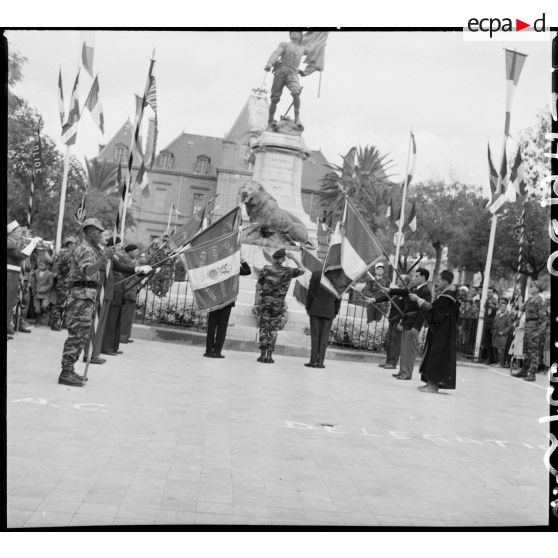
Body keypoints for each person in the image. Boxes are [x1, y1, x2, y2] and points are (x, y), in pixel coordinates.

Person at [59, 218, 113, 387]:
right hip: (80, 297)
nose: (101, 235)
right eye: (98, 232)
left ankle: (70, 369)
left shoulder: (94, 249)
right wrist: (103, 258)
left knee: (81, 336)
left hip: (88, 296)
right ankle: (65, 372)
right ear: (90, 232)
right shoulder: (83, 249)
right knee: (76, 336)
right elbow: (89, 271)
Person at [370, 268, 431, 380]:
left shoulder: (426, 291)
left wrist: (417, 327)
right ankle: (402, 371)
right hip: (407, 320)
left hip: (413, 322)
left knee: (409, 351)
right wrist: (390, 290)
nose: (415, 278)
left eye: (417, 276)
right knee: (404, 349)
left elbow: (424, 311)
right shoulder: (414, 288)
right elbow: (403, 292)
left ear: (423, 277)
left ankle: (407, 373)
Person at [410, 269, 460, 393]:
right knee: (433, 356)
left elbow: (434, 312)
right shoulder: (447, 295)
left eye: (439, 280)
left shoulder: (447, 297)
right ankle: (430, 383)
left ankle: (433, 385)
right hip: (440, 332)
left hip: (443, 334)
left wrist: (418, 300)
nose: (437, 282)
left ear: (445, 281)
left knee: (437, 357)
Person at [256, 249, 305, 363]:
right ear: (283, 259)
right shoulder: (288, 271)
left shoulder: (266, 269)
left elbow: (258, 286)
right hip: (278, 303)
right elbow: (302, 270)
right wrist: (293, 257)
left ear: (274, 258)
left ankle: (262, 354)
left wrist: (256, 303)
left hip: (265, 301)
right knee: (273, 328)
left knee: (264, 327)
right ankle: (269, 356)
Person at [204, 259, 252, 359]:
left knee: (212, 326)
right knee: (222, 327)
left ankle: (208, 351)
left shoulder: (216, 265)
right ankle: (217, 352)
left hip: (214, 299)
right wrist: (242, 261)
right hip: (227, 300)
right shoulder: (233, 267)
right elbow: (248, 271)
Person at [264, 31, 311, 128]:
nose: (294, 33)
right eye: (292, 31)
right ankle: (270, 120)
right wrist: (270, 63)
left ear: (300, 35)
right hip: (281, 71)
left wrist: (321, 41)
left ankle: (297, 118)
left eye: (297, 32)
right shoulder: (284, 44)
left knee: (296, 92)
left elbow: (314, 51)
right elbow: (276, 53)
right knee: (274, 98)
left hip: (293, 73)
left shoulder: (303, 49)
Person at [7, 220, 40, 338]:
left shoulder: (13, 242)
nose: (20, 233)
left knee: (10, 303)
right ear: (11, 232)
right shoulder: (9, 243)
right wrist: (32, 244)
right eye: (18, 231)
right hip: (9, 275)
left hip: (13, 275)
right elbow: (21, 256)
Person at [305, 269, 341, 368]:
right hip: (329, 310)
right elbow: (339, 296)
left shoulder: (317, 273)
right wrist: (336, 311)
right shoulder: (339, 277)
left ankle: (313, 361)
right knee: (324, 337)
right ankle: (320, 362)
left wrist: (308, 306)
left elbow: (311, 291)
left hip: (316, 308)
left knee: (315, 336)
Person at [511, 281, 547, 382]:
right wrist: (519, 299)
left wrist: (540, 332)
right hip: (528, 327)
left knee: (534, 353)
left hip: (534, 328)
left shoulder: (540, 300)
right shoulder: (530, 300)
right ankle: (524, 370)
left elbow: (543, 318)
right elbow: (522, 308)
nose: (530, 288)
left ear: (537, 288)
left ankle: (532, 373)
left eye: (532, 286)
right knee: (527, 350)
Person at [371, 274, 408, 369]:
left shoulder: (405, 294)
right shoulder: (396, 292)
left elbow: (406, 309)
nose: (398, 280)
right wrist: (374, 300)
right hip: (392, 319)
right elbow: (386, 297)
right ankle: (388, 360)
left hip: (398, 320)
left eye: (401, 279)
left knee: (395, 343)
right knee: (390, 341)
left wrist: (401, 320)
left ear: (405, 282)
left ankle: (392, 363)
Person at [50, 236, 75, 331]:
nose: (74, 246)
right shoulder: (63, 252)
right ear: (69, 244)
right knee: (60, 303)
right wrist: (71, 253)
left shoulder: (75, 254)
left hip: (71, 281)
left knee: (69, 303)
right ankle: (55, 322)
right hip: (63, 281)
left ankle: (65, 322)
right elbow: (64, 260)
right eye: (72, 244)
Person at [120, 244, 140, 344]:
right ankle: (122, 336)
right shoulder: (127, 260)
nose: (137, 253)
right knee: (125, 316)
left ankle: (126, 335)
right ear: (130, 252)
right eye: (136, 251)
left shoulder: (132, 261)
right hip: (128, 290)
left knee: (129, 316)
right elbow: (134, 270)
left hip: (132, 290)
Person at [29, 257, 54, 325]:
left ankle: (45, 311)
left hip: (45, 293)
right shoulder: (36, 272)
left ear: (46, 266)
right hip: (37, 292)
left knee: (44, 306)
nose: (40, 267)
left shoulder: (50, 274)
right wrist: (33, 288)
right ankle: (38, 320)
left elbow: (50, 284)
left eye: (42, 265)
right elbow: (33, 280)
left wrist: (44, 289)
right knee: (37, 307)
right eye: (39, 265)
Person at [491, 298, 512, 367]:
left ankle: (501, 363)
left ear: (506, 308)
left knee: (501, 350)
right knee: (496, 348)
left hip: (502, 335)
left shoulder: (507, 316)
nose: (503, 308)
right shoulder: (497, 315)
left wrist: (503, 332)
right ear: (499, 307)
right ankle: (497, 362)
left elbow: (509, 326)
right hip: (496, 334)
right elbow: (494, 324)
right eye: (501, 307)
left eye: (504, 307)